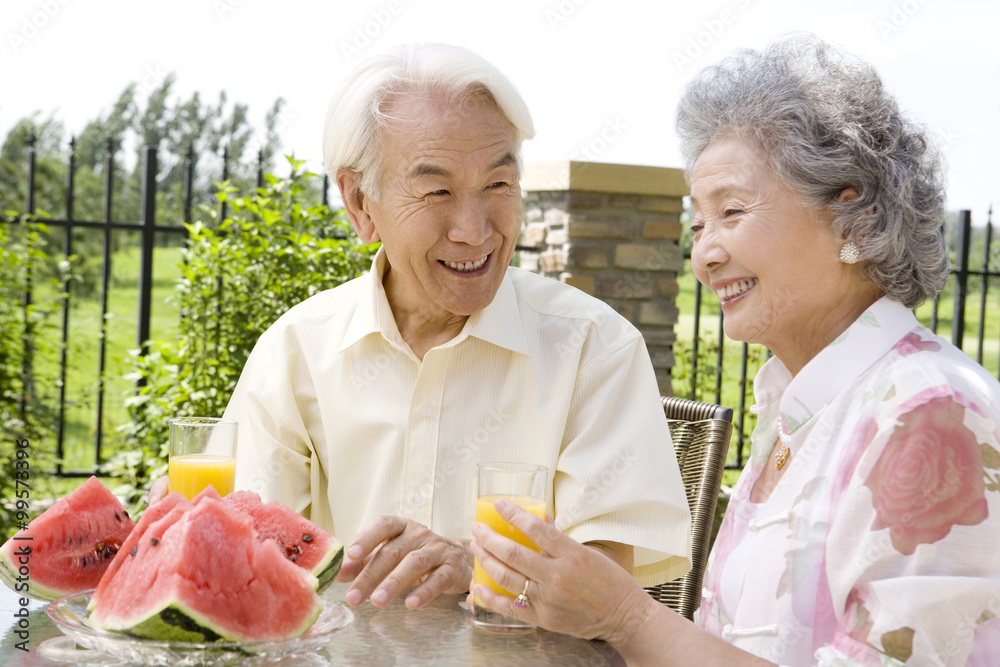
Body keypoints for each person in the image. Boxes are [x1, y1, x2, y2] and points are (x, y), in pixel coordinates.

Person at [469, 33, 1000, 666]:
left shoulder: (932, 414)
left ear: (849, 215)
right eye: (697, 224)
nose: (705, 252)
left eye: (732, 212)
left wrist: (626, 616)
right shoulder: (799, 411)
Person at [151, 43, 691, 611]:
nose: (474, 229)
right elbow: (240, 549)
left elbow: (611, 585)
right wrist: (182, 534)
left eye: (498, 185)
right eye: (437, 191)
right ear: (361, 203)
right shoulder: (297, 350)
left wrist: (476, 565)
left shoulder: (594, 347)